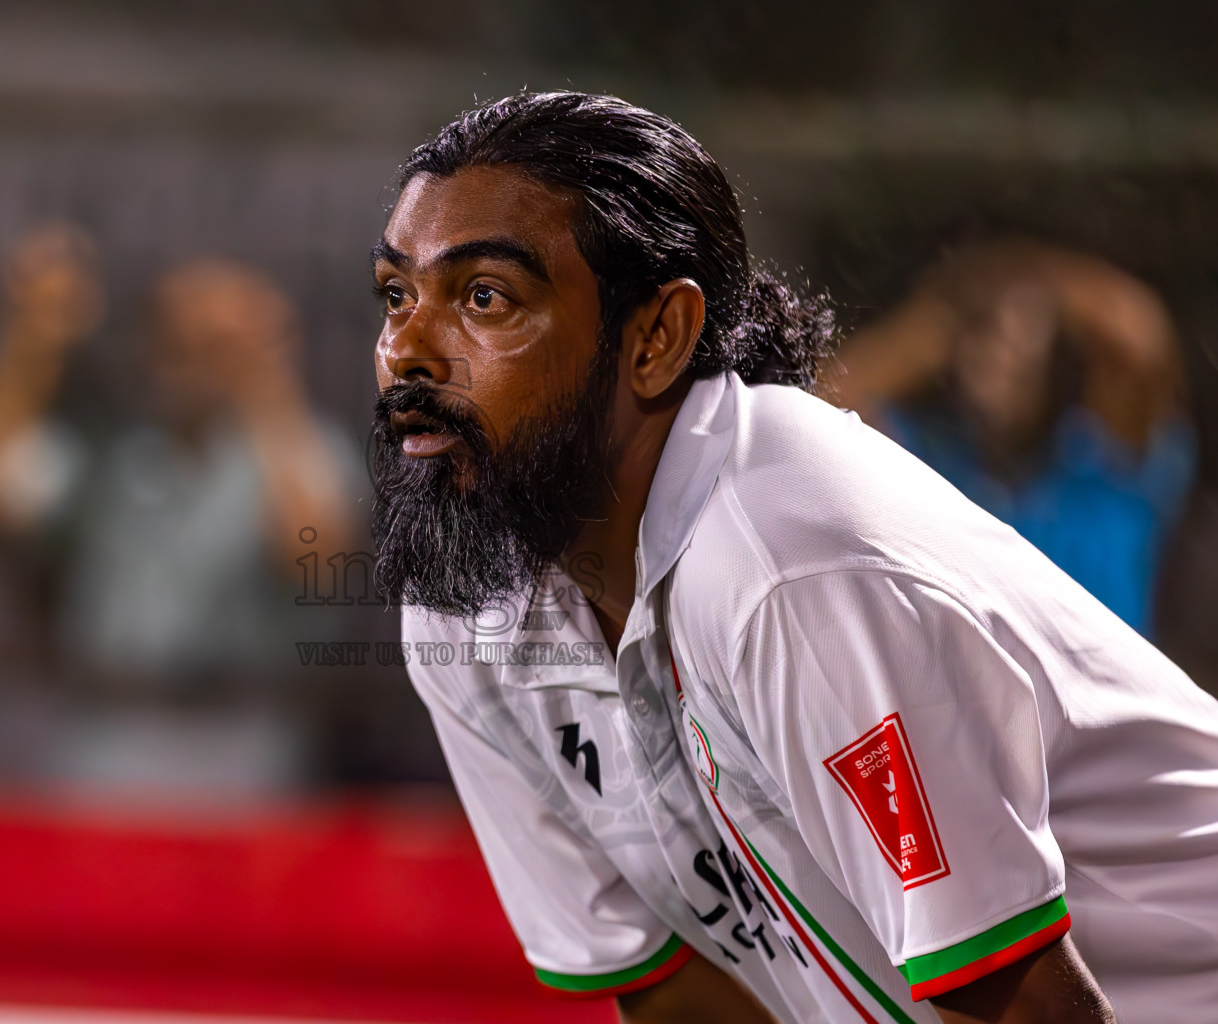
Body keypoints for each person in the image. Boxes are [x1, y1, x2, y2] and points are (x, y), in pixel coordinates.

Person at [371, 92, 1218, 1024]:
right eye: (397, 295)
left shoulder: (789, 563)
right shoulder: (467, 602)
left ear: (656, 338)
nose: (407, 349)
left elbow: (1034, 1014)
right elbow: (681, 998)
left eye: (485, 296)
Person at [0, 226, 357, 689]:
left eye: (213, 345)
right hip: (109, 712)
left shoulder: (299, 444)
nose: (190, 362)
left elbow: (317, 558)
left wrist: (263, 380)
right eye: (175, 338)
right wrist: (32, 342)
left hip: (245, 720)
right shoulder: (109, 447)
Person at [821, 240, 1195, 636]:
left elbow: (1139, 334)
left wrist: (1024, 280)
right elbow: (825, 397)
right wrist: (950, 313)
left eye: (1023, 339)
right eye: (984, 336)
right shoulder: (936, 470)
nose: (1003, 355)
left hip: (1113, 697)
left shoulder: (1108, 466)